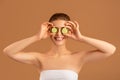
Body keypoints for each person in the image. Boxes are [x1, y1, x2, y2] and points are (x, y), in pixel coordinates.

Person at [3, 13, 116, 80]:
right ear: (49, 30)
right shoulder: (39, 58)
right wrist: (36, 37)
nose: (59, 34)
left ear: (70, 31)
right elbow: (8, 51)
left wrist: (81, 38)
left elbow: (110, 50)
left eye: (64, 29)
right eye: (54, 29)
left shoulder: (78, 57)